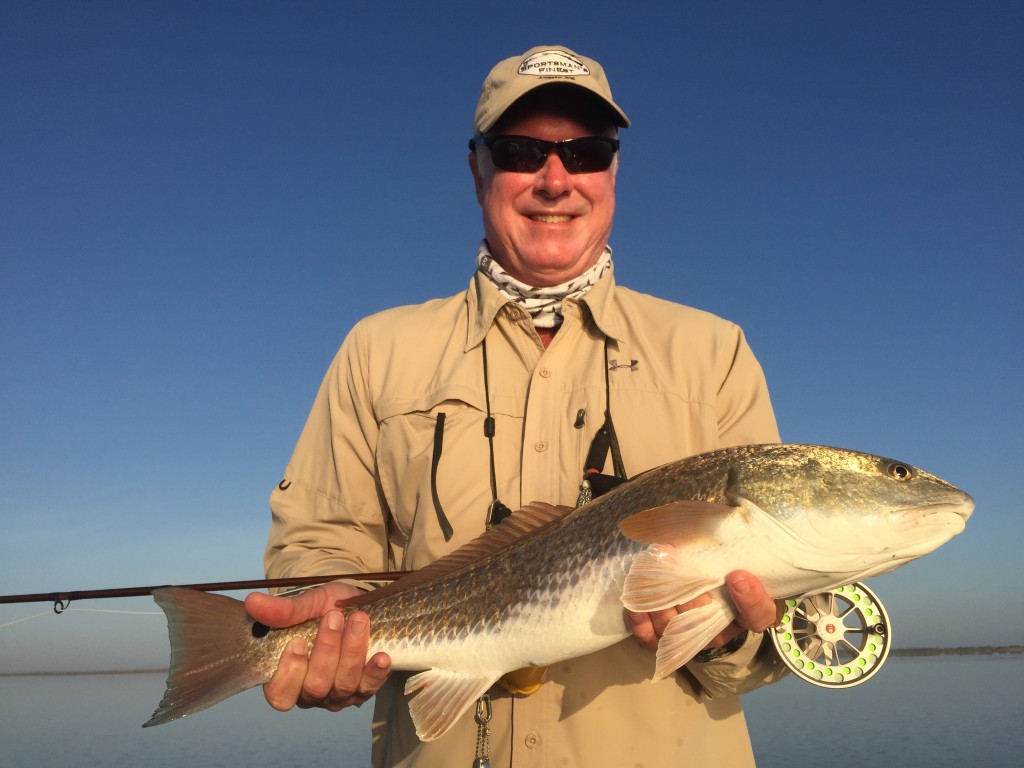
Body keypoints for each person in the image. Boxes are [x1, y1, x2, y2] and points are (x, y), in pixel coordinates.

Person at [245, 45, 788, 767]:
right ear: (478, 170)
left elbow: (771, 639)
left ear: (614, 174)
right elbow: (316, 538)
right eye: (521, 150)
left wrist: (730, 633)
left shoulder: (714, 352)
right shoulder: (377, 349)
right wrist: (323, 609)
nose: (555, 179)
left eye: (586, 152)